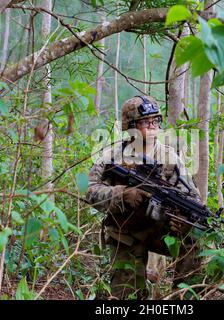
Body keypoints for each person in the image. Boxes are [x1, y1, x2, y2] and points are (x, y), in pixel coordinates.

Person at [86, 95, 202, 299]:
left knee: (193, 239)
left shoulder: (170, 158)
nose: (152, 126)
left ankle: (182, 297)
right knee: (126, 295)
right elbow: (91, 191)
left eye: (156, 121)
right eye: (145, 122)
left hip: (159, 230)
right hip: (125, 233)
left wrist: (182, 220)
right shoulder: (112, 156)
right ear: (130, 126)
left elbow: (192, 197)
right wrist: (121, 194)